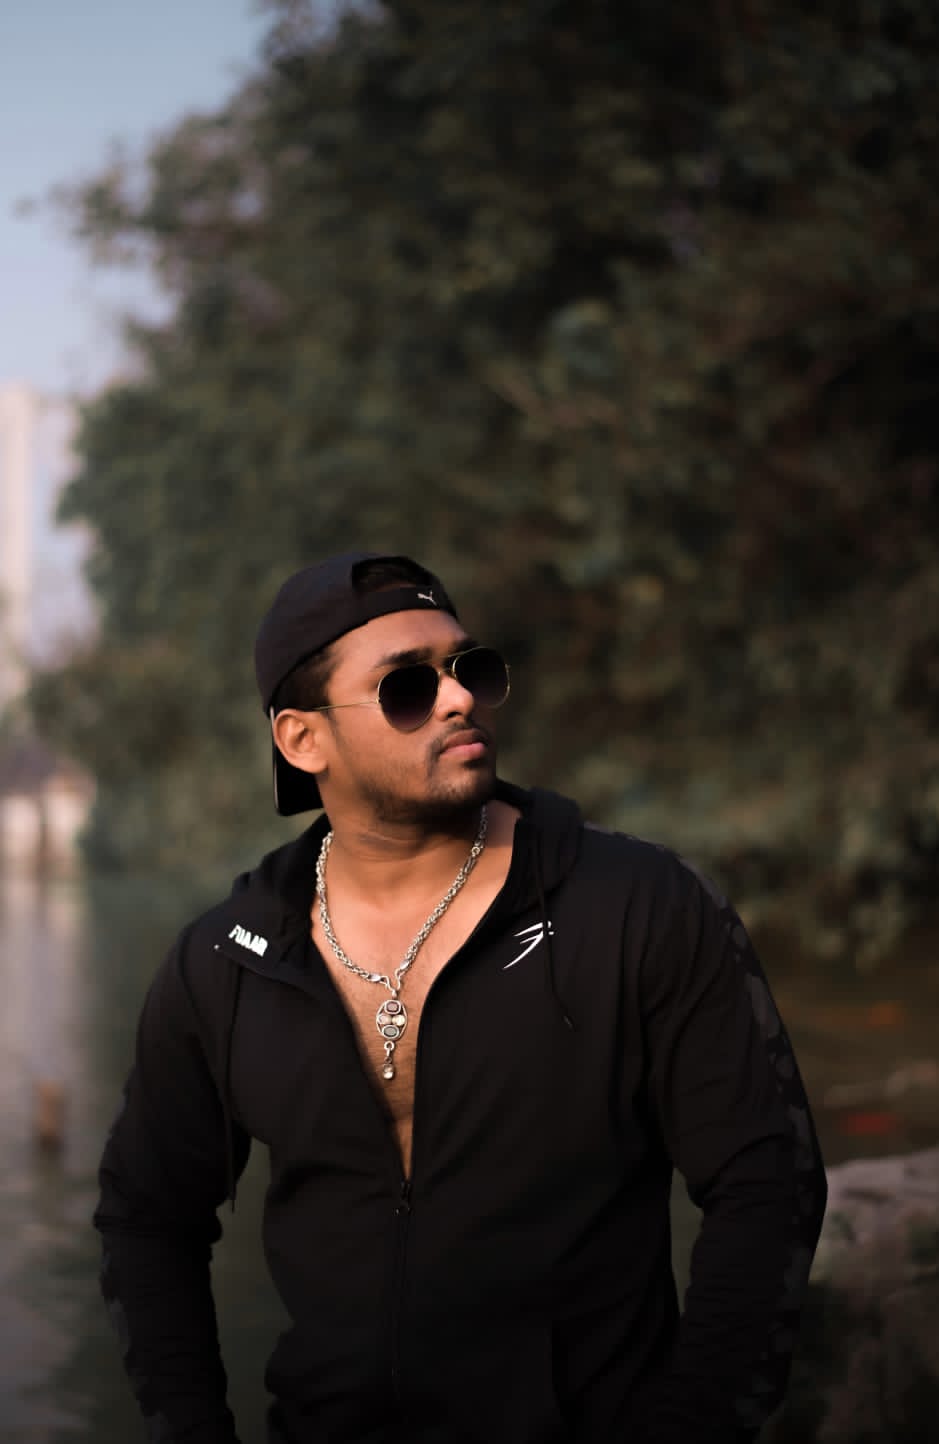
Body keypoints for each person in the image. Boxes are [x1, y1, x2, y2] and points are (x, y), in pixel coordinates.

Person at [95, 550, 827, 1444]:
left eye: (467, 668)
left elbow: (767, 1184)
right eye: (405, 687)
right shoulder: (230, 960)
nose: (456, 699)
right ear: (302, 740)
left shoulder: (636, 905)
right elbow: (147, 1219)